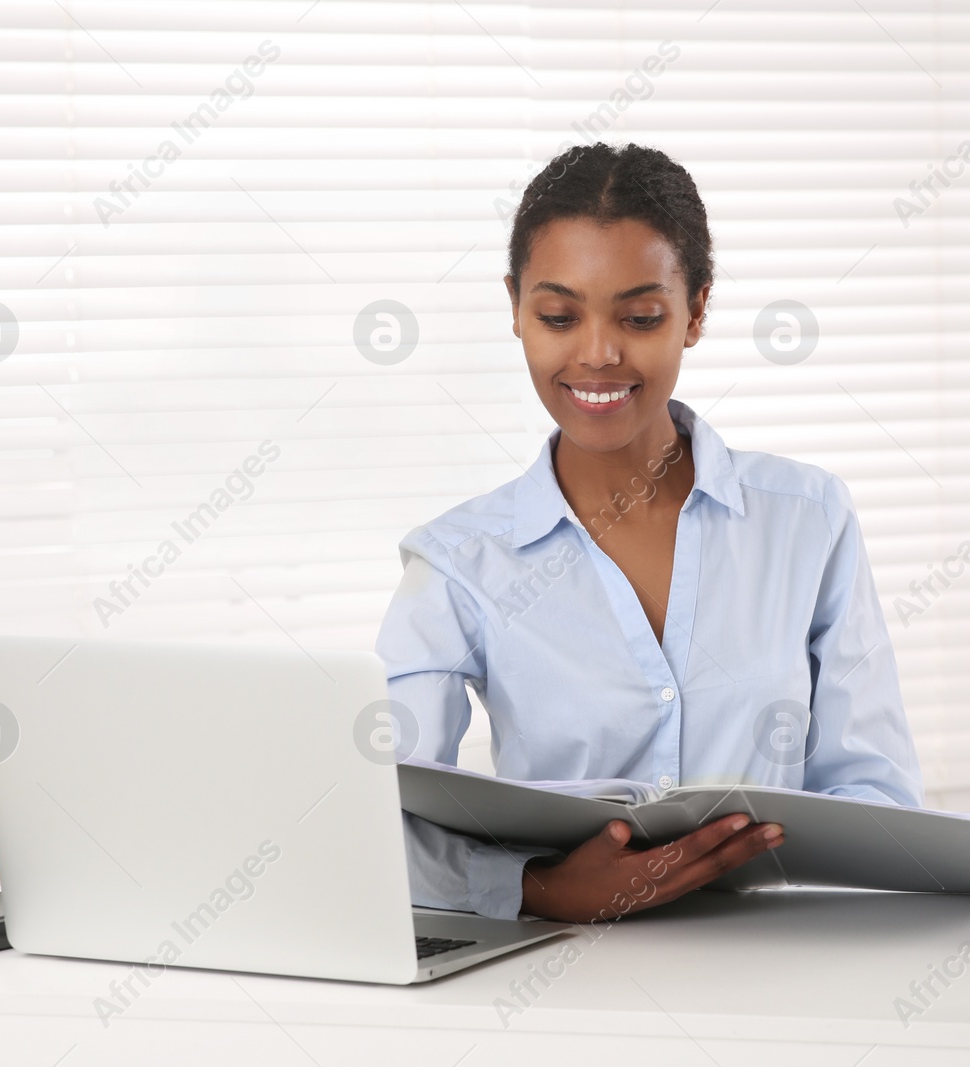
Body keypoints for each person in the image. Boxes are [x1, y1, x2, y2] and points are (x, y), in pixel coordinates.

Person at [374, 142, 922, 924]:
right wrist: (539, 889)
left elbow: (878, 793)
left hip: (784, 976)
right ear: (516, 306)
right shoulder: (460, 562)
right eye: (558, 316)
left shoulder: (807, 518)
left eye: (639, 317)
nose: (597, 353)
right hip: (560, 981)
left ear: (696, 310)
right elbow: (375, 814)